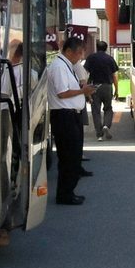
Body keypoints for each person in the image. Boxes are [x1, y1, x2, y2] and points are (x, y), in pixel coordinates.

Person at [41, 34, 95, 205]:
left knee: (73, 155)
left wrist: (82, 89)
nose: (81, 56)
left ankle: (68, 191)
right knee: (68, 157)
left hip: (71, 114)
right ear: (70, 51)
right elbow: (62, 93)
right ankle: (65, 194)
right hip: (64, 115)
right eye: (79, 53)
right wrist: (82, 92)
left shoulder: (66, 65)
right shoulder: (58, 67)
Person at [83, 41, 119, 141]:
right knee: (108, 108)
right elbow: (114, 76)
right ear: (106, 48)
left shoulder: (91, 58)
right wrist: (116, 89)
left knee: (95, 111)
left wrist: (86, 88)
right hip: (107, 86)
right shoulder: (110, 59)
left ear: (96, 47)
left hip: (94, 86)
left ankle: (99, 134)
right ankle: (106, 125)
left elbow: (85, 75)